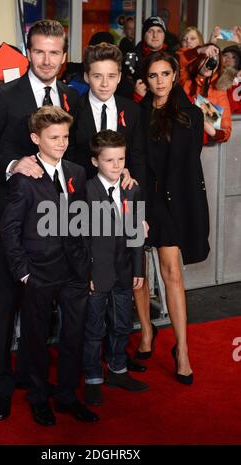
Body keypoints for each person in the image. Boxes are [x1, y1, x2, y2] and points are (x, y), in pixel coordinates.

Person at [0, 20, 79, 421]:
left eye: (54, 52)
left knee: (41, 310)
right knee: (5, 305)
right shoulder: (4, 96)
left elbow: (75, 159)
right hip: (10, 220)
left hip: (53, 226)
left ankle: (35, 381)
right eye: (39, 51)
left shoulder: (69, 97)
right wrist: (13, 164)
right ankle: (0, 386)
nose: (46, 60)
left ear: (64, 57)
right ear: (28, 52)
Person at [0, 106, 99, 426]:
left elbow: (83, 221)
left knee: (75, 335)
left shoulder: (77, 171)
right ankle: (39, 397)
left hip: (75, 271)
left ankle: (68, 395)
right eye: (53, 137)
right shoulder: (25, 178)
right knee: (36, 337)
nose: (61, 143)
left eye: (66, 137)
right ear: (35, 139)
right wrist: (23, 271)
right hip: (39, 271)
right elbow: (9, 228)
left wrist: (88, 265)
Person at [130, 51, 210, 385]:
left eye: (165, 74)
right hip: (142, 198)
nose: (160, 81)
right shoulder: (136, 113)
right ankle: (147, 331)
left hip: (173, 203)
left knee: (171, 272)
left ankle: (183, 351)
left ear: (175, 75)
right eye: (153, 75)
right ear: (144, 80)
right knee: (137, 270)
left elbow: (190, 163)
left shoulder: (190, 114)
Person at [83, 129, 149, 406]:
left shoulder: (131, 189)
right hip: (97, 275)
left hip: (124, 271)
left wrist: (138, 269)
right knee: (94, 328)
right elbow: (81, 239)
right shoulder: (86, 191)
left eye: (120, 159)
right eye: (109, 160)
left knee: (122, 323)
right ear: (95, 161)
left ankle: (118, 370)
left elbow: (136, 233)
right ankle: (93, 378)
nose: (116, 165)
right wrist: (86, 273)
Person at [73, 42, 145, 197]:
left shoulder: (133, 111)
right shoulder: (73, 110)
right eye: (97, 76)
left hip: (122, 196)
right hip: (81, 197)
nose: (105, 84)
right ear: (86, 76)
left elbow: (138, 157)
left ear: (119, 77)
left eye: (111, 76)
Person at [180, 44, 232, 144]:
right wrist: (198, 50)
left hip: (199, 145)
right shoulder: (185, 79)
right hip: (177, 139)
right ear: (198, 59)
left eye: (214, 60)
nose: (209, 63)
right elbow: (175, 61)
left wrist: (211, 129)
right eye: (205, 58)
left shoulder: (219, 89)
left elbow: (226, 131)